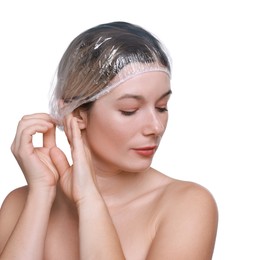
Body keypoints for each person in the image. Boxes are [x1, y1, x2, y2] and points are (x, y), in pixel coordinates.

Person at [0, 21, 218, 259]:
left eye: (161, 107)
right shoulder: (19, 204)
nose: (155, 127)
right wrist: (41, 193)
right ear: (76, 113)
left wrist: (89, 200)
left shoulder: (186, 206)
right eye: (130, 110)